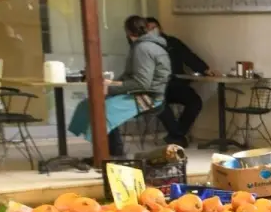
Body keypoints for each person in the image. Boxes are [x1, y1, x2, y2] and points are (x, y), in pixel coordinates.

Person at [68, 15, 171, 157]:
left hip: (149, 97)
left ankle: (109, 154)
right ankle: (113, 151)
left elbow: (142, 83)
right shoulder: (148, 45)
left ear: (128, 32)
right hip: (144, 92)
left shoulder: (142, 48)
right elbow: (136, 78)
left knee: (102, 110)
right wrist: (112, 83)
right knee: (91, 104)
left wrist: (111, 88)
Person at [143, 18, 211, 146]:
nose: (153, 31)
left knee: (195, 101)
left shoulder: (173, 43)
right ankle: (178, 136)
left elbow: (189, 56)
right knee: (160, 105)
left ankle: (176, 135)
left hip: (176, 84)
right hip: (156, 88)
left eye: (154, 27)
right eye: (149, 29)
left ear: (160, 28)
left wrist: (205, 69)